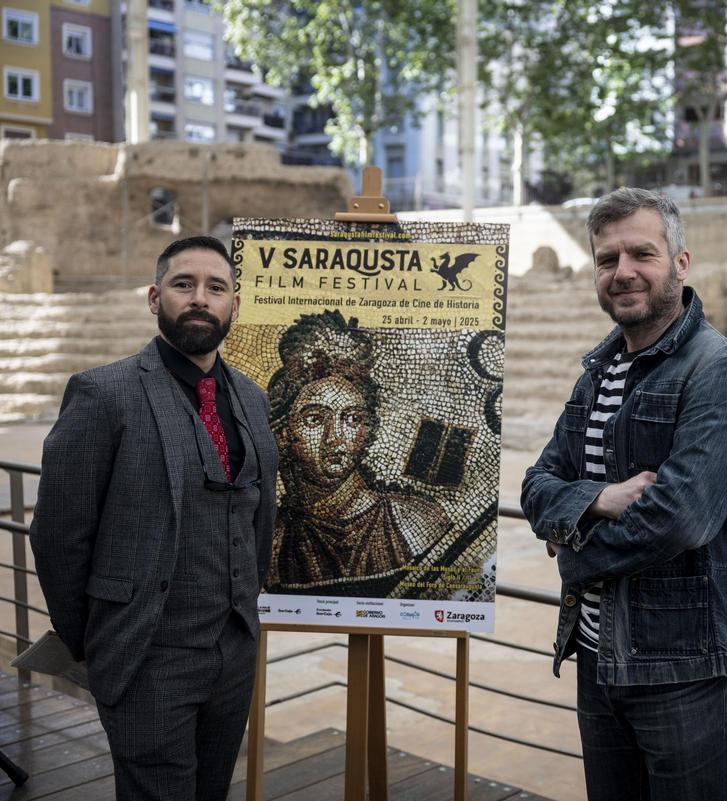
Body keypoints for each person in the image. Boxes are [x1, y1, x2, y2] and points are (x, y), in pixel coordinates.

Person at [521, 188, 727, 800]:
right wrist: (599, 500)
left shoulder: (716, 370)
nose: (623, 272)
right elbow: (536, 484)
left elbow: (680, 517)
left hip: (682, 669)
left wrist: (572, 551)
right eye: (607, 259)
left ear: (680, 264)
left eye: (641, 254)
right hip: (597, 656)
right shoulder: (599, 372)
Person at [29, 236, 279, 801]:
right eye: (183, 284)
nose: (200, 299)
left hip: (233, 653)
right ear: (153, 297)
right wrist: (95, 639)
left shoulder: (252, 399)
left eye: (216, 288)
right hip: (146, 654)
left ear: (234, 306)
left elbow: (258, 516)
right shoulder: (103, 393)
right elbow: (58, 535)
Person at [265, 310, 451, 597]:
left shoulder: (416, 521)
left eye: (352, 419)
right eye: (315, 419)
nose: (335, 437)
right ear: (283, 434)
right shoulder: (272, 542)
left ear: (367, 430)